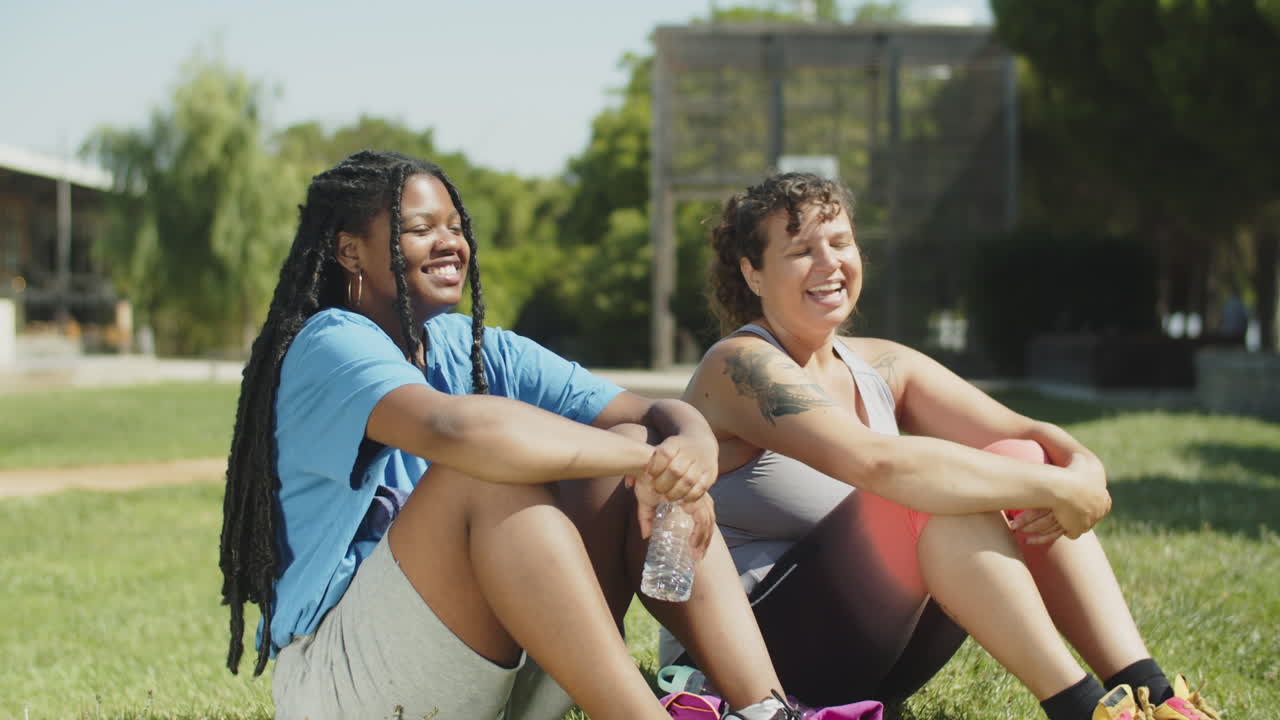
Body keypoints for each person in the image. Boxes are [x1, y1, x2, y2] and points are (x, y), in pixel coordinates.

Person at [218, 151, 812, 720]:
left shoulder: (469, 345)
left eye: (455, 225)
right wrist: (650, 461)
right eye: (420, 228)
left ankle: (767, 709)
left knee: (628, 448)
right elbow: (461, 431)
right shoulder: (330, 341)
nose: (451, 242)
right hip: (345, 685)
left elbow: (655, 412)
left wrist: (690, 451)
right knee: (483, 477)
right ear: (351, 251)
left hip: (490, 666)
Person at [662, 172, 1220, 720]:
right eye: (802, 250)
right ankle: (1082, 709)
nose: (830, 263)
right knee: (924, 493)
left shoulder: (882, 364)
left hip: (875, 649)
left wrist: (1084, 471)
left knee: (1017, 462)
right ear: (752, 274)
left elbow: (1029, 438)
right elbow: (876, 462)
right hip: (752, 659)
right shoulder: (738, 365)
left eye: (841, 242)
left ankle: (1149, 693)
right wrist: (1057, 487)